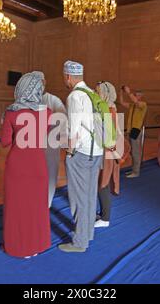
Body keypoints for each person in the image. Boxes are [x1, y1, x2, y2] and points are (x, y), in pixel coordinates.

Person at [1, 72, 52, 258]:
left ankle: (18, 247)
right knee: (36, 208)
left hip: (17, 166)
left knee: (17, 208)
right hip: (38, 165)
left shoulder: (12, 112)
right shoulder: (47, 112)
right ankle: (36, 245)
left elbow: (6, 141)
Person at [58, 60, 103, 253]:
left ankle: (80, 242)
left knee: (78, 199)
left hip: (82, 152)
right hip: (97, 151)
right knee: (90, 195)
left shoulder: (75, 96)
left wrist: (69, 152)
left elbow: (74, 129)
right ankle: (88, 233)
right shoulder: (92, 93)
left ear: (68, 76)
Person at [94, 81, 129, 228]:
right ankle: (103, 214)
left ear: (105, 93)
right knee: (102, 182)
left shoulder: (109, 109)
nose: (95, 94)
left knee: (103, 183)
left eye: (98, 91)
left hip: (108, 150)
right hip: (107, 149)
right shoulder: (108, 108)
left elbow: (111, 135)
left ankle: (105, 218)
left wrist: (115, 154)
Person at [35, 71, 67, 208]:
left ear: (44, 83)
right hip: (33, 146)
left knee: (49, 174)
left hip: (50, 145)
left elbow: (63, 118)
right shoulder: (26, 100)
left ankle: (46, 204)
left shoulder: (52, 100)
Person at [117, 85, 148, 178]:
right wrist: (121, 92)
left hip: (136, 130)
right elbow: (122, 102)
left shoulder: (143, 104)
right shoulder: (132, 105)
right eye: (135, 94)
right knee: (132, 151)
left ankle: (136, 172)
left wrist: (128, 92)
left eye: (137, 95)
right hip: (131, 130)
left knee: (135, 152)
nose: (135, 96)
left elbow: (136, 101)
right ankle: (135, 168)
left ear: (141, 95)